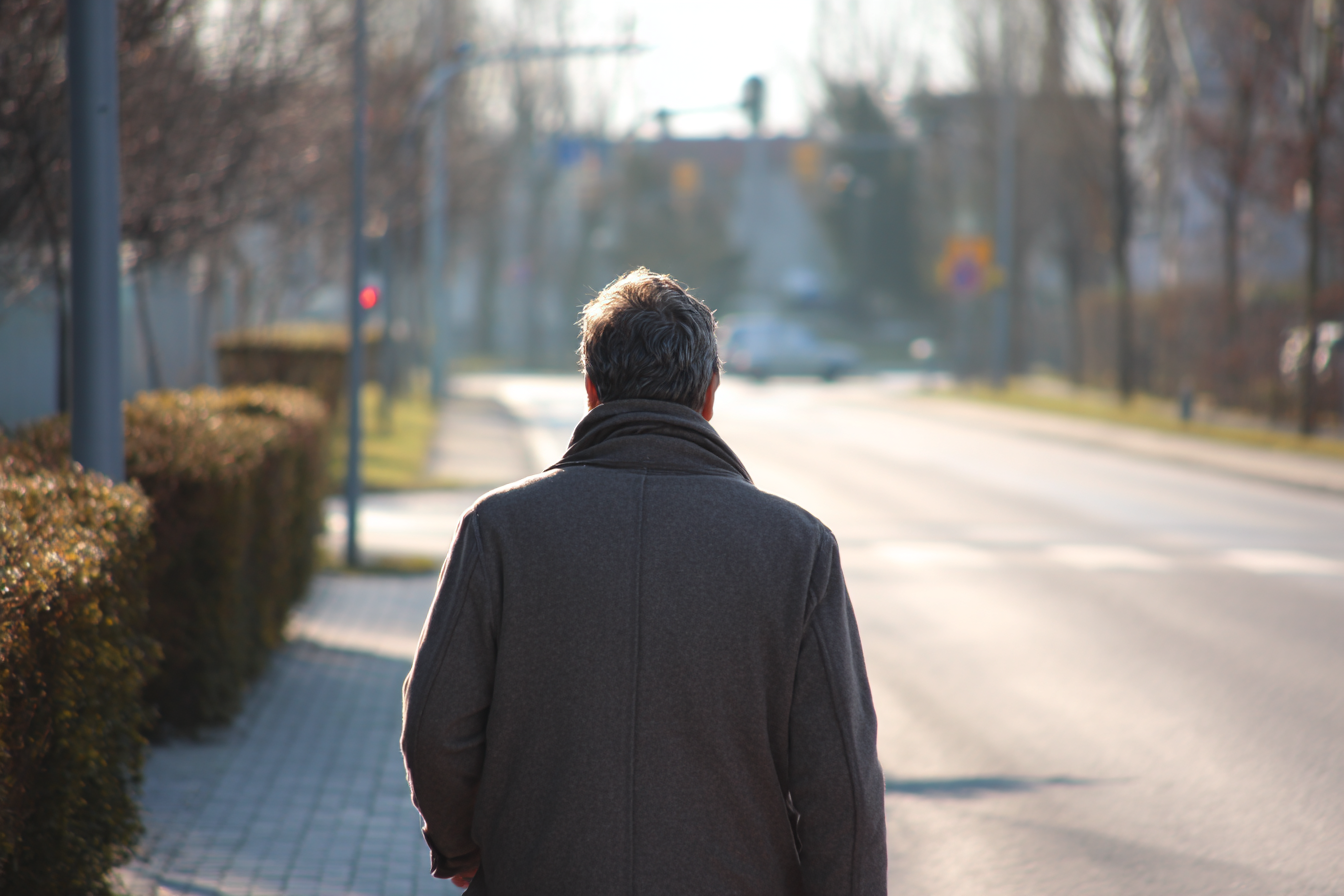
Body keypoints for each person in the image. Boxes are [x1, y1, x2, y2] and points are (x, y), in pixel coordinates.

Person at [401, 268, 887, 895]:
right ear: (710, 394)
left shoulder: (499, 530)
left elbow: (436, 728)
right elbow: (841, 787)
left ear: (591, 389)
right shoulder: (797, 549)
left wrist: (462, 845)